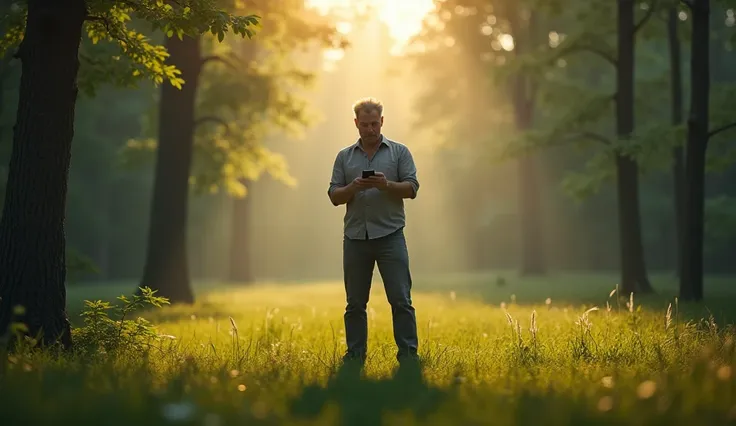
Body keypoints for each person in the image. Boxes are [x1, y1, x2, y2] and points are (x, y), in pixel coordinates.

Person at [327, 97, 420, 364]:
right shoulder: (344, 157)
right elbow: (334, 195)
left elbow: (412, 188)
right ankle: (355, 354)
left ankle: (408, 353)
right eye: (364, 125)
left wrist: (386, 185)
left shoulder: (399, 152)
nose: (370, 130)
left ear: (382, 122)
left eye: (374, 124)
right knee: (355, 303)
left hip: (390, 236)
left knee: (401, 299)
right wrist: (353, 188)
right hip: (356, 238)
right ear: (356, 124)